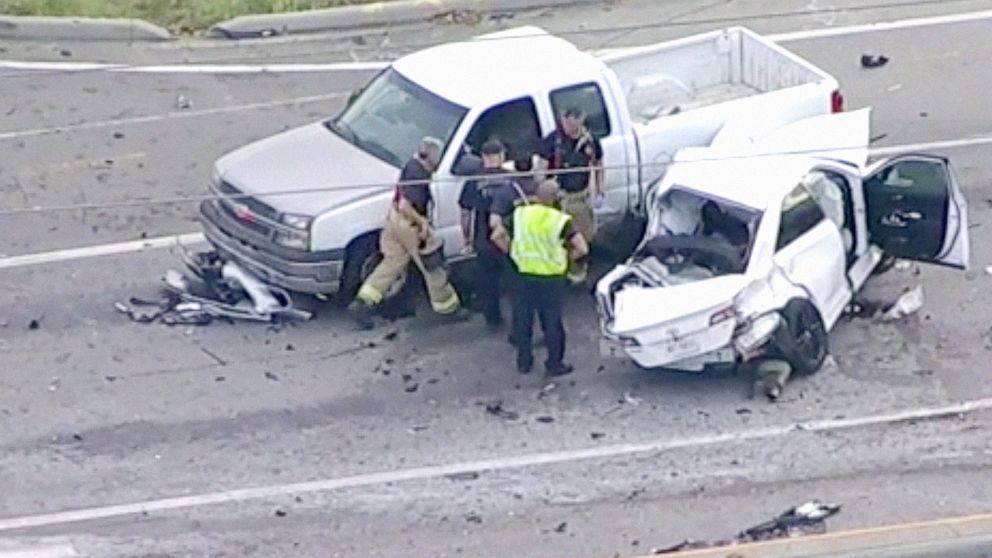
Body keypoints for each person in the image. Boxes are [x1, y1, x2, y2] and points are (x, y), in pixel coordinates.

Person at [348, 137, 465, 329]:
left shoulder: (411, 166)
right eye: (438, 156)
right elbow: (406, 205)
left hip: (393, 220)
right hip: (410, 225)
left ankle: (362, 304)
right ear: (430, 155)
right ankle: (448, 309)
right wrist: (423, 224)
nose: (439, 159)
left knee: (393, 262)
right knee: (433, 267)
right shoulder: (419, 174)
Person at [491, 179, 588, 376]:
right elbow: (582, 248)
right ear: (556, 199)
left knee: (524, 319)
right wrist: (566, 259)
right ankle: (554, 364)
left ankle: (524, 362)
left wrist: (512, 253)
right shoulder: (560, 220)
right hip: (551, 279)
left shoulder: (520, 215)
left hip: (523, 274)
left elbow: (496, 236)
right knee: (552, 323)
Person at [458, 139, 526, 328]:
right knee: (515, 283)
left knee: (488, 284)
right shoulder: (512, 179)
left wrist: (467, 239)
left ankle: (493, 319)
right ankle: (519, 323)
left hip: (484, 239)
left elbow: (465, 213)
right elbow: (524, 207)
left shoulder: (473, 181)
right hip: (509, 239)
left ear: (483, 157)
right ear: (501, 156)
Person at [537, 107, 603, 285]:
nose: (566, 127)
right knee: (563, 240)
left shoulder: (589, 141)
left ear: (581, 120)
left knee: (584, 239)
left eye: (571, 123)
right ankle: (562, 271)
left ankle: (578, 273)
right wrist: (545, 193)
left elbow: (598, 165)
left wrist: (599, 190)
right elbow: (540, 170)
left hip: (581, 198)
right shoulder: (553, 141)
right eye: (565, 122)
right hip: (560, 200)